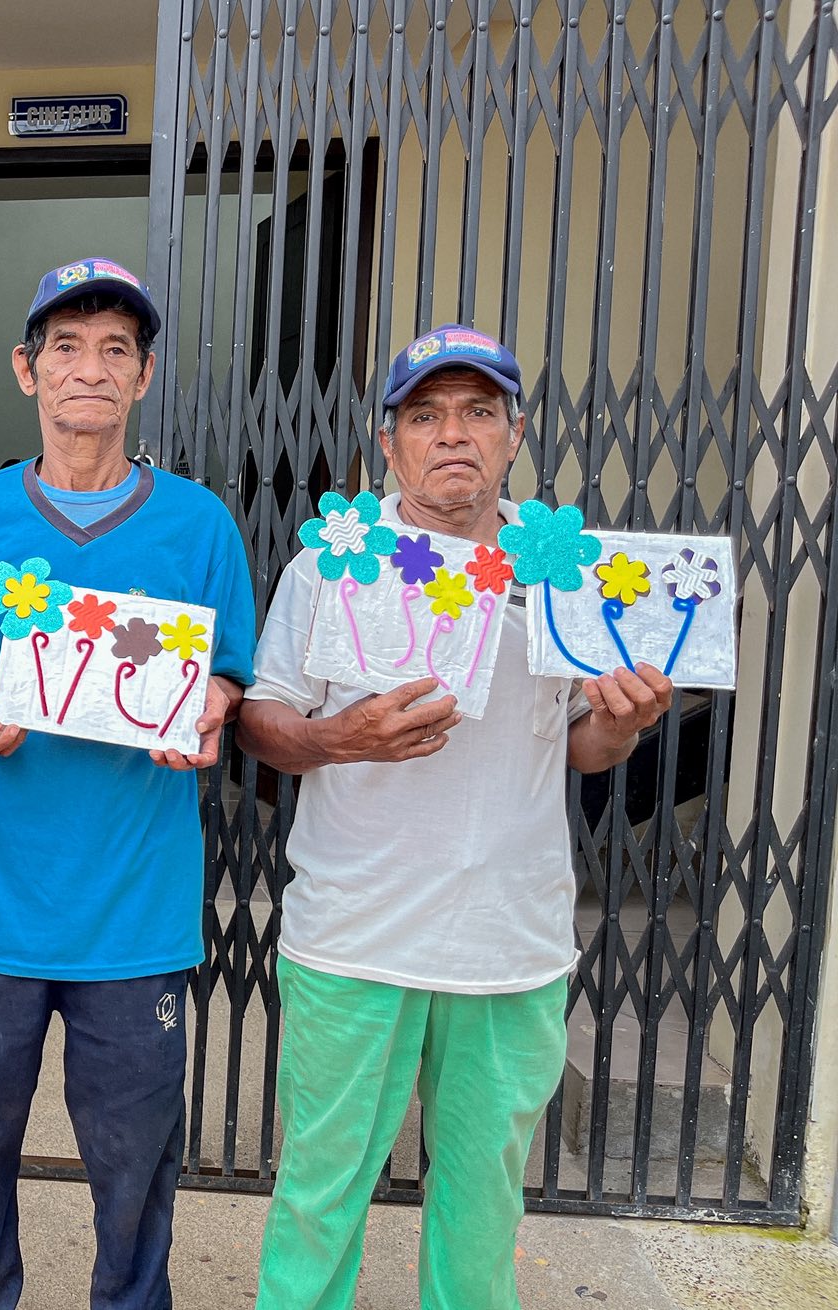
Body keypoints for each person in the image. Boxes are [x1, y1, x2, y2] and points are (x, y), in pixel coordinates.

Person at [237, 325, 673, 1308]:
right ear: (387, 441)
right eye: (426, 413)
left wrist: (623, 722)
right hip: (352, 939)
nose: (452, 434)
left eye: (479, 411)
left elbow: (582, 746)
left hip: (508, 947)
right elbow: (262, 722)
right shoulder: (332, 566)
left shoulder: (567, 575)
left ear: (513, 434)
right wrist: (340, 737)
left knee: (481, 1211)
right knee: (317, 1196)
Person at [0, 259, 256, 1310]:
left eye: (115, 350)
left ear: (142, 376)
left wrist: (210, 706)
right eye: (65, 347)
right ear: (27, 370)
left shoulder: (199, 524)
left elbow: (230, 675)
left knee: (134, 1170)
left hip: (135, 913)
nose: (90, 369)